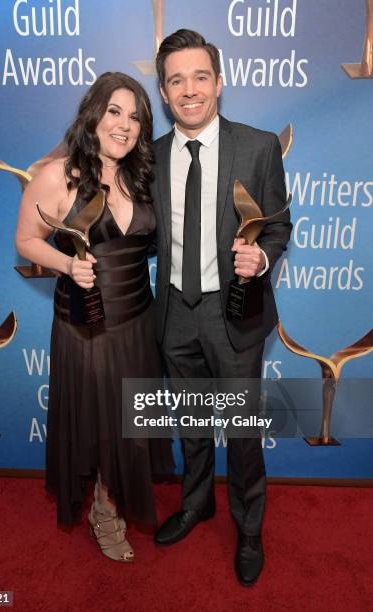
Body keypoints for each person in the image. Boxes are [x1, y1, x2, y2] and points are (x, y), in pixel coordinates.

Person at [151, 30, 292, 585]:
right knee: (189, 423)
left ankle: (249, 527)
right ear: (163, 93)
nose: (189, 90)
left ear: (220, 83)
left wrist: (261, 257)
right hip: (174, 313)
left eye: (200, 77)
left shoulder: (258, 148)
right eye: (176, 80)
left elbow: (278, 224)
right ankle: (196, 503)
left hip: (233, 313)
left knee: (241, 430)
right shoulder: (152, 156)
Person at [15, 72, 173, 563]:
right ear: (94, 114)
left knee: (130, 424)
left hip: (137, 321)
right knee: (102, 427)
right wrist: (66, 264)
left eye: (135, 116)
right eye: (114, 112)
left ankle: (112, 499)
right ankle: (106, 513)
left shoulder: (142, 175)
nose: (124, 125)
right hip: (86, 326)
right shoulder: (59, 174)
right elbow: (26, 240)